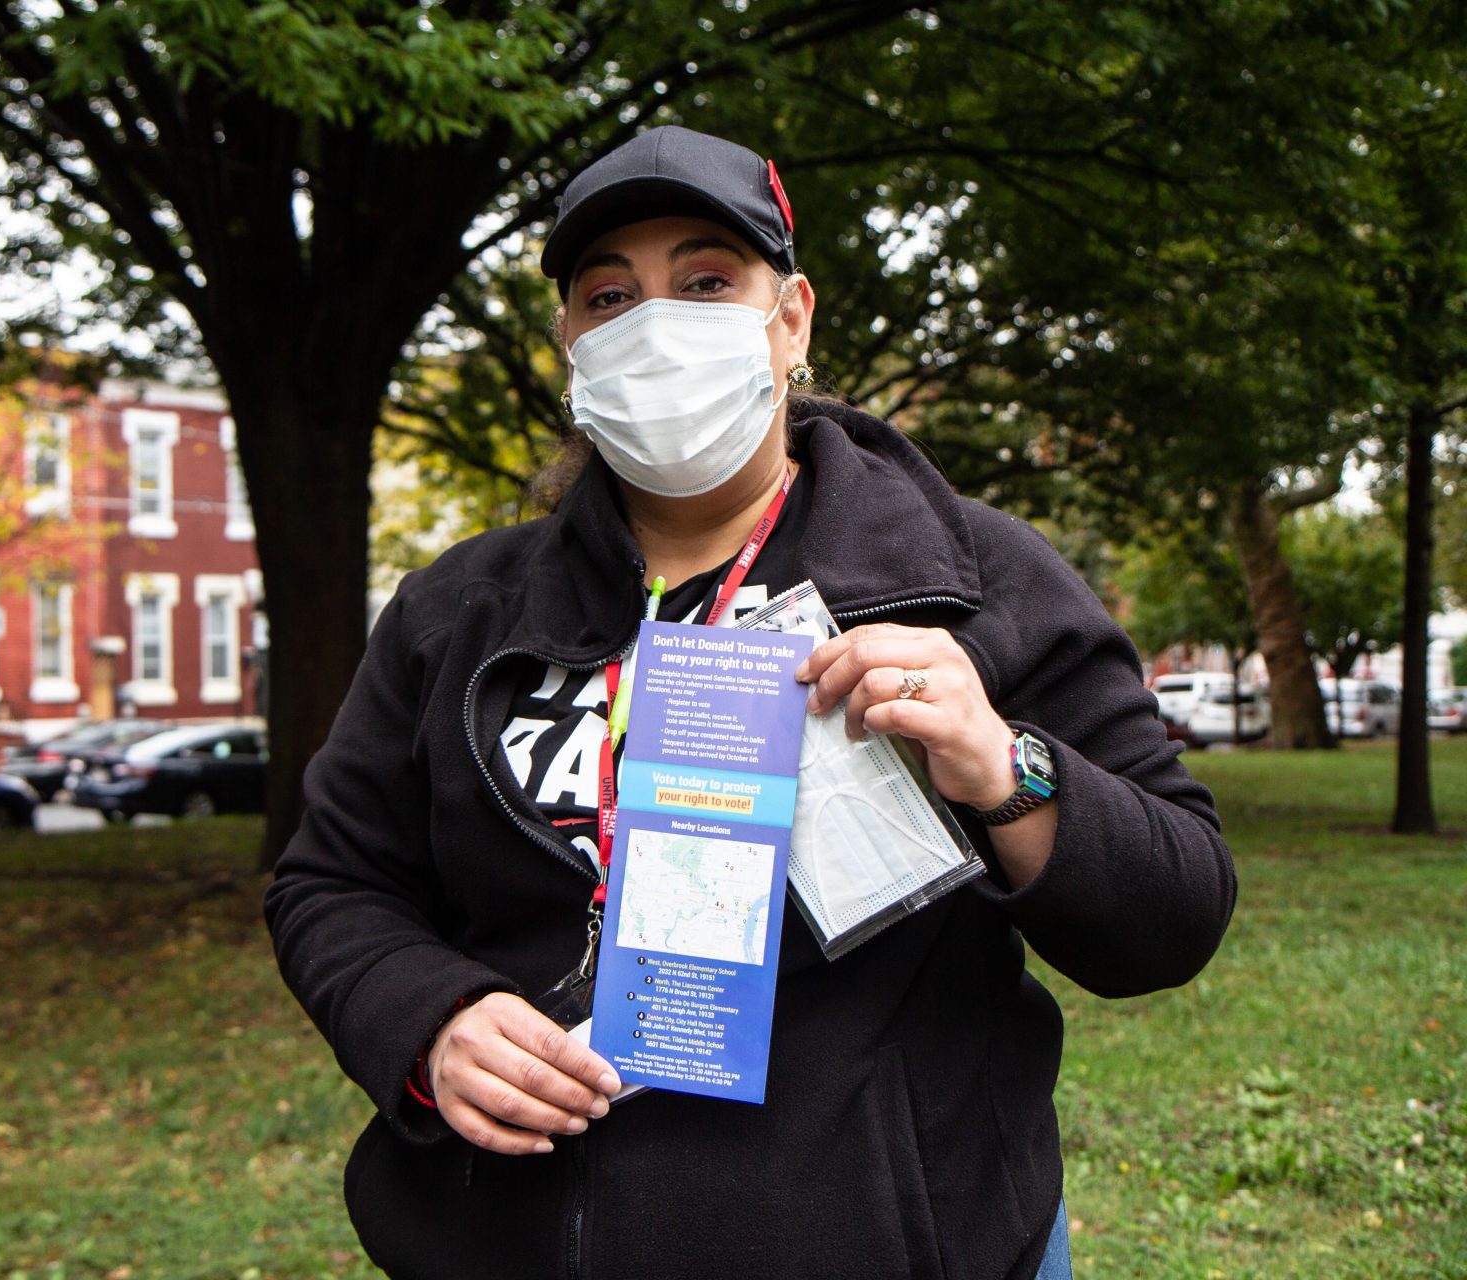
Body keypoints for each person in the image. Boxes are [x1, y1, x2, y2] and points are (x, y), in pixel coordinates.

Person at [264, 126, 1236, 1280]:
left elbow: (1177, 911)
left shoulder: (980, 580)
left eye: (708, 278)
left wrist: (1003, 764)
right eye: (610, 293)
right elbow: (331, 883)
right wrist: (428, 1019)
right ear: (572, 342)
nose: (656, 322)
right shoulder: (454, 615)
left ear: (793, 318)